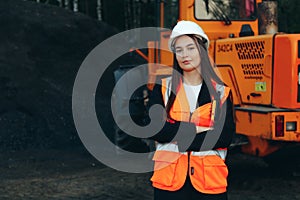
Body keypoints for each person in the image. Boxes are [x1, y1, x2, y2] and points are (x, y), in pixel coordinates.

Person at [147, 20, 235, 200]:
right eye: (179, 50)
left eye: (190, 48)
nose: (184, 55)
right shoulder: (163, 88)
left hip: (208, 183)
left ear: (202, 50)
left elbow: (224, 136)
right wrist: (196, 129)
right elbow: (156, 130)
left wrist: (176, 136)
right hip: (169, 184)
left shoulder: (220, 92)